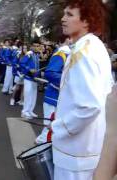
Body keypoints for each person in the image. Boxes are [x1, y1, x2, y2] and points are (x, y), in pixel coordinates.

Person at [51, 0, 113, 179]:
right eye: (64, 14)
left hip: (76, 150)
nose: (63, 19)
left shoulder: (83, 52)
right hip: (86, 146)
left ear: (86, 21)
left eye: (70, 15)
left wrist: (59, 127)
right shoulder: (92, 46)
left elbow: (90, 106)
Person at [35, 38, 71, 144]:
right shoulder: (62, 54)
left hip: (63, 96)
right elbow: (50, 73)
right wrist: (70, 81)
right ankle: (42, 143)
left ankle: (43, 141)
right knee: (49, 124)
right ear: (68, 39)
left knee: (55, 126)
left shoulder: (72, 54)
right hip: (53, 95)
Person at [20, 40, 41, 119]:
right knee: (28, 95)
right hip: (28, 78)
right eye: (34, 46)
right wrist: (29, 69)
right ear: (31, 46)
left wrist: (38, 74)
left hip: (35, 79)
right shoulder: (29, 54)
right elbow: (22, 63)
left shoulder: (37, 55)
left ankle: (30, 111)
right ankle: (24, 112)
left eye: (37, 46)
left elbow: (37, 66)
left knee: (33, 96)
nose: (36, 47)